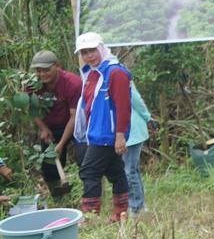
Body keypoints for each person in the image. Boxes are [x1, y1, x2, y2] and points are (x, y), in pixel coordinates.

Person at [66, 32, 133, 222]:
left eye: (92, 50)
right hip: (96, 132)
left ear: (101, 48)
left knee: (89, 171)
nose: (89, 56)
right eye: (84, 52)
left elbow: (123, 106)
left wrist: (120, 135)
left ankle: (90, 217)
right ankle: (121, 214)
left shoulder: (115, 72)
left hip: (107, 134)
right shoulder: (94, 72)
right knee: (115, 171)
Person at [26, 50, 79, 197]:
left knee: (86, 159)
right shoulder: (31, 85)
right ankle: (59, 199)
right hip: (50, 127)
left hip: (75, 126)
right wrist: (43, 128)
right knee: (49, 166)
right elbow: (31, 108)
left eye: (47, 70)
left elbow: (75, 116)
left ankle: (91, 199)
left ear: (57, 66)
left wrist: (61, 144)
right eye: (38, 70)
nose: (42, 74)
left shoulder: (72, 83)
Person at [122, 82, 153, 215]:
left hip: (132, 131)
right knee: (132, 169)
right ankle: (138, 204)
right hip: (124, 132)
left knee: (129, 171)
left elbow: (136, 99)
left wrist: (147, 117)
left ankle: (136, 207)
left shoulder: (121, 76)